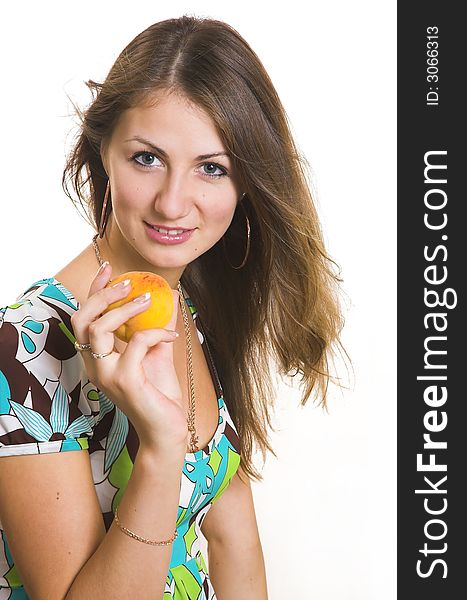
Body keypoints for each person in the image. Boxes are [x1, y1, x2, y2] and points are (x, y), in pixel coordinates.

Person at [0, 14, 347, 600]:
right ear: (101, 151)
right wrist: (160, 451)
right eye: (147, 158)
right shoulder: (27, 347)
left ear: (246, 186)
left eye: (212, 168)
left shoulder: (194, 310)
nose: (173, 202)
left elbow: (237, 542)